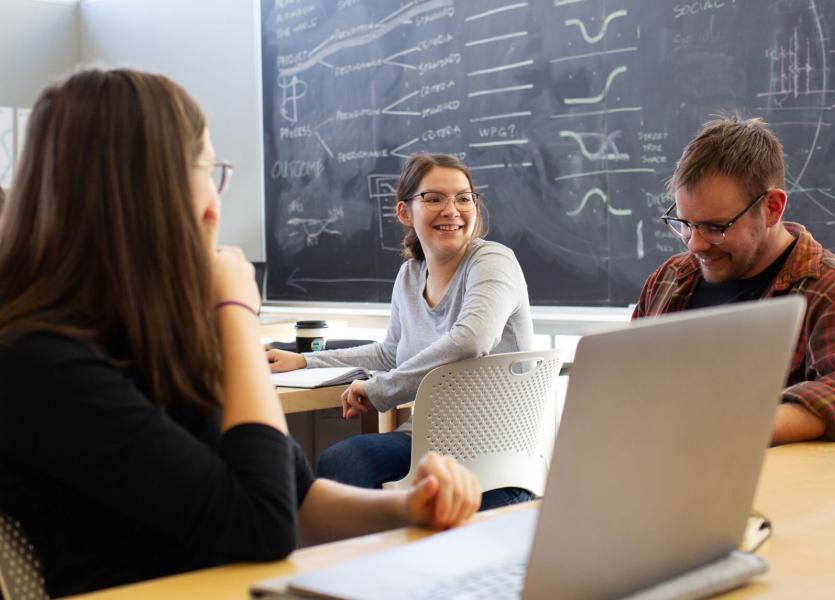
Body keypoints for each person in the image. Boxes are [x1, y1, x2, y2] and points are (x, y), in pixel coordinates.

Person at [0, 69, 480, 597]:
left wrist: (409, 506)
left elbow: (298, 502)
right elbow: (265, 527)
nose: (216, 197)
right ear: (151, 188)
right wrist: (234, 311)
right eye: (208, 168)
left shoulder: (157, 337)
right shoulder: (39, 363)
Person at [267, 153, 535, 508]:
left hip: (495, 457)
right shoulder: (410, 276)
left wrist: (382, 389)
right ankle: (355, 561)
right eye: (434, 198)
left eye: (463, 197)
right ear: (404, 212)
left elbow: (472, 340)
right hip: (425, 444)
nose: (452, 210)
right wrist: (304, 361)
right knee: (341, 460)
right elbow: (389, 352)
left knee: (436, 542)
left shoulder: (493, 261)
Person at [633, 115, 835, 444]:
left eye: (715, 227)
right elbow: (631, 385)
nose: (694, 243)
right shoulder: (667, 281)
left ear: (772, 208)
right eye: (684, 222)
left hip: (777, 491)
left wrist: (717, 429)